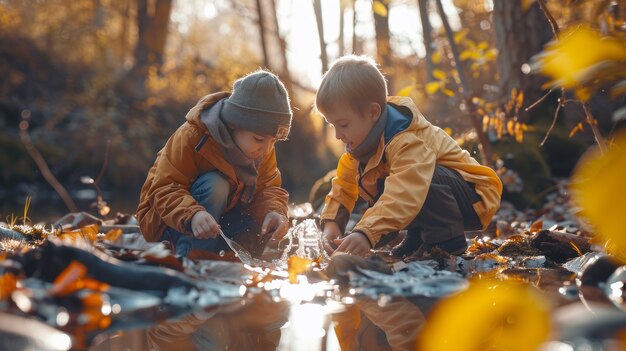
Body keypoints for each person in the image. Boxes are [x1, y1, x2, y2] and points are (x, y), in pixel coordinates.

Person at [315, 55, 503, 258]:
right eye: (332, 125)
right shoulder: (362, 151)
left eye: (343, 125)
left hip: (475, 195)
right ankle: (420, 236)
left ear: (373, 113)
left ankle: (447, 240)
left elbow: (405, 191)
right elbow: (343, 186)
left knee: (410, 179)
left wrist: (365, 233)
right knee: (381, 180)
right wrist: (331, 225)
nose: (337, 135)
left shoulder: (406, 139)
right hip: (437, 191)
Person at [137, 70, 292, 258]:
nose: (267, 149)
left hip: (221, 218)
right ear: (234, 123)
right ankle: (189, 258)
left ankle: (228, 257)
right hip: (171, 222)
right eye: (259, 139)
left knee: (252, 236)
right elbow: (163, 187)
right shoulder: (192, 136)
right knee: (216, 184)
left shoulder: (260, 147)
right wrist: (193, 214)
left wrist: (273, 212)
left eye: (273, 141)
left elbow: (268, 188)